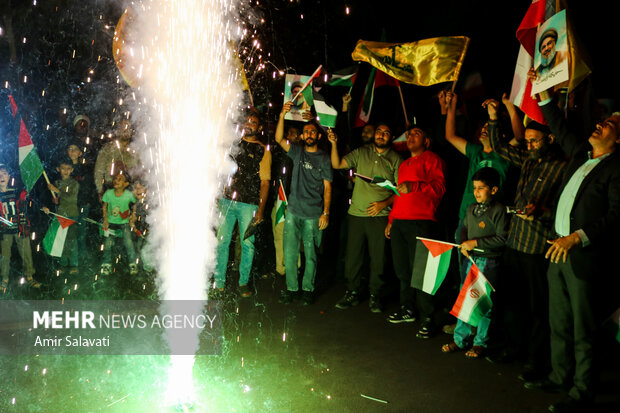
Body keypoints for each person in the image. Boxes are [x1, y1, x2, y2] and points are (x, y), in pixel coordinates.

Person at [522, 71, 620, 413]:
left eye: (608, 125)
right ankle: (560, 376)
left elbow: (615, 216)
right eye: (600, 121)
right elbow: (560, 128)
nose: (600, 125)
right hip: (556, 252)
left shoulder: (616, 169)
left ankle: (582, 393)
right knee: (558, 321)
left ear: (618, 140)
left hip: (582, 257)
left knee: (583, 329)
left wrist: (576, 238)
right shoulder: (581, 155)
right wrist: (544, 94)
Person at [485, 98, 567, 381]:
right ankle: (512, 348)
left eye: (534, 141)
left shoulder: (563, 167)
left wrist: (542, 211)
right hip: (515, 243)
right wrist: (495, 116)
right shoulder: (530, 162)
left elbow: (567, 209)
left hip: (537, 248)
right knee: (511, 301)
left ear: (551, 138)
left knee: (536, 309)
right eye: (528, 141)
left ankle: (536, 361)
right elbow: (499, 147)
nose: (529, 145)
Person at [329, 122, 402, 312]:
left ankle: (374, 295)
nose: (381, 135)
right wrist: (334, 144)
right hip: (356, 214)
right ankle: (352, 292)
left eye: (386, 133)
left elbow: (401, 191)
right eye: (379, 131)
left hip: (380, 216)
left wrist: (383, 204)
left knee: (378, 259)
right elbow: (337, 164)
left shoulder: (396, 159)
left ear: (391, 137)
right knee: (353, 256)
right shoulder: (362, 152)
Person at [384, 124, 446, 339]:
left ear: (426, 141)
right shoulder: (405, 164)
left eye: (416, 134)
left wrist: (415, 186)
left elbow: (439, 189)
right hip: (400, 221)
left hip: (421, 221)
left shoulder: (432, 159)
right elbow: (400, 195)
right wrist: (391, 220)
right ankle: (408, 309)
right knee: (402, 269)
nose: (410, 137)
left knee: (421, 271)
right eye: (409, 134)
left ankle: (428, 317)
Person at [441, 167, 509, 358]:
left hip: (489, 262)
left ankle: (480, 342)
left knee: (483, 302)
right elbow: (464, 228)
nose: (476, 192)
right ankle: (459, 339)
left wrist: (476, 242)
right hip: (469, 260)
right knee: (464, 300)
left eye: (481, 188)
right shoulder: (471, 208)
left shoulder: (499, 210)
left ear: (493, 190)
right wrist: (463, 242)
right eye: (474, 188)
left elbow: (503, 238)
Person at [276, 102, 332, 306]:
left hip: (313, 214)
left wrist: (325, 213)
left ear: (318, 136)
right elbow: (278, 139)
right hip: (293, 212)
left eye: (312, 132)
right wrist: (282, 114)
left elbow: (327, 188)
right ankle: (291, 289)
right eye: (306, 131)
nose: (309, 133)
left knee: (310, 256)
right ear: (302, 136)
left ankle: (307, 290)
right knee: (290, 254)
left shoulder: (324, 158)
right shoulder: (297, 152)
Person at [213, 111, 271, 298]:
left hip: (249, 204)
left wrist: (261, 210)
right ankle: (219, 281)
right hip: (227, 201)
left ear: (259, 128)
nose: (249, 124)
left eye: (254, 122)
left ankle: (243, 282)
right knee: (222, 242)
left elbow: (265, 182)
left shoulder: (263, 150)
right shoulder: (232, 143)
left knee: (248, 244)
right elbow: (221, 170)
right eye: (247, 121)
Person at [266, 124, 300, 279]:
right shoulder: (279, 152)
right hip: (279, 200)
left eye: (295, 134)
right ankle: (280, 268)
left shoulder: (302, 154)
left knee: (292, 237)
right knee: (278, 236)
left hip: (294, 203)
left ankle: (295, 267)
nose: (291, 136)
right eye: (290, 133)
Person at [0, 163, 39, 289]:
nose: (1, 176)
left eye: (4, 173)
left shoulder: (17, 191)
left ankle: (29, 276)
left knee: (26, 252)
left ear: (9, 176)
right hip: (5, 230)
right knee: (5, 255)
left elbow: (28, 197)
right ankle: (4, 277)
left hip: (20, 228)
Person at [42, 157, 80, 274]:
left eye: (68, 168)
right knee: (61, 240)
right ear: (58, 169)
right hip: (60, 215)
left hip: (72, 215)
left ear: (72, 170)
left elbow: (71, 197)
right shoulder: (55, 183)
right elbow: (52, 199)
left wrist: (57, 191)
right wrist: (47, 206)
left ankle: (74, 264)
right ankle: (63, 264)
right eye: (63, 168)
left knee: (71, 240)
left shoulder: (74, 183)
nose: (65, 171)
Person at [100, 172, 138, 276]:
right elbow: (105, 206)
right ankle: (106, 264)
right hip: (111, 223)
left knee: (128, 242)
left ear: (126, 184)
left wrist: (133, 215)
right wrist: (105, 220)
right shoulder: (108, 193)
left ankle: (132, 263)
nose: (116, 181)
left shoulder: (129, 195)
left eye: (120, 179)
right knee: (108, 243)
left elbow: (134, 204)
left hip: (124, 223)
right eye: (115, 178)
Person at [94, 117, 140, 197]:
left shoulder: (136, 150)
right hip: (111, 189)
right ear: (117, 131)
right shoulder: (107, 149)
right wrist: (100, 191)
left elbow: (141, 170)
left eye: (128, 128)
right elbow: (99, 171)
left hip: (130, 190)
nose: (125, 130)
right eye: (122, 128)